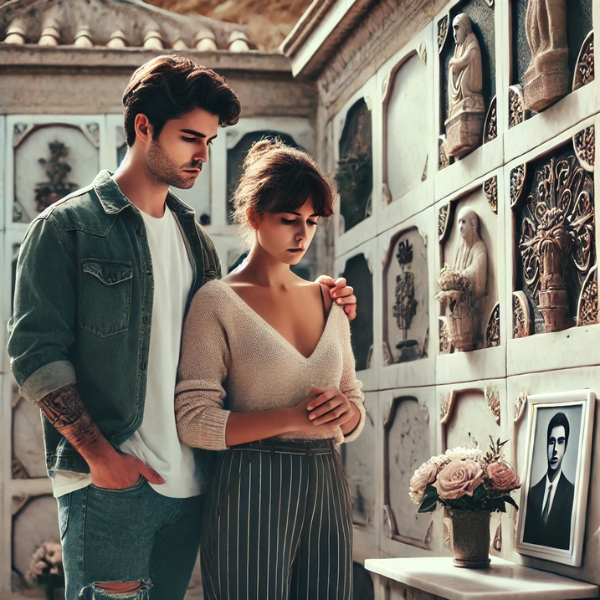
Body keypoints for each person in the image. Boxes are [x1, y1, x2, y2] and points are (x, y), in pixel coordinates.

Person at [7, 56, 357, 600]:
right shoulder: (68, 228)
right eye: (189, 137)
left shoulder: (196, 241)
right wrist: (103, 460)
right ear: (143, 126)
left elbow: (226, 344)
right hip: (111, 487)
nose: (202, 154)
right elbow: (35, 356)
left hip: (193, 486)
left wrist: (320, 301)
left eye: (210, 141)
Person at [175, 139, 365, 600]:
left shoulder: (329, 299)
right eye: (289, 220)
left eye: (311, 222)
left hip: (327, 480)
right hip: (250, 485)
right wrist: (294, 418)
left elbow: (354, 404)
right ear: (254, 214)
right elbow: (193, 420)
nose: (303, 234)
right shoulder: (217, 301)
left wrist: (345, 413)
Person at [523, 412, 574, 550]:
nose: (555, 450)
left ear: (566, 446)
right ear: (546, 445)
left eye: (560, 441)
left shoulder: (572, 494)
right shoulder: (532, 492)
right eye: (551, 442)